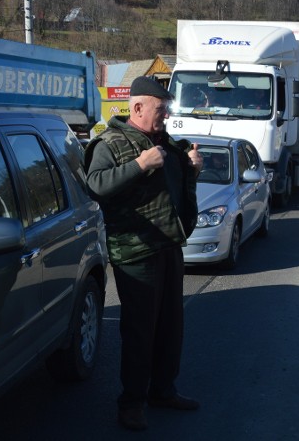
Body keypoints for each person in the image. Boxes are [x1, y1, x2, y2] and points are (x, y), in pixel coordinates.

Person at [85, 76, 203, 432]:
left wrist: (192, 171)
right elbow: (96, 185)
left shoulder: (166, 145)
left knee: (171, 327)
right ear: (137, 107)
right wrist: (139, 165)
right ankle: (132, 403)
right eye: (160, 109)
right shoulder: (109, 143)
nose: (165, 116)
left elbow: (177, 194)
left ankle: (163, 391)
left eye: (166, 109)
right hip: (135, 252)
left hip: (169, 246)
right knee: (140, 332)